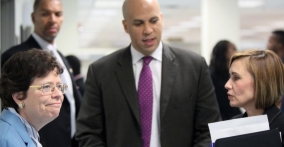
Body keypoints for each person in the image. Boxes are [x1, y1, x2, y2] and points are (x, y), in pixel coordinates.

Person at [75, 0, 220, 146]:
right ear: (126, 26)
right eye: (138, 23)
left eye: (153, 21)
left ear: (161, 19)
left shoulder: (194, 67)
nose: (148, 30)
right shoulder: (101, 72)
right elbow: (88, 132)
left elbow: (209, 130)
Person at [1, 0, 81, 146]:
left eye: (58, 14)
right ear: (33, 17)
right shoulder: (16, 56)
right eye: (45, 14)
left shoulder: (62, 58)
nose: (52, 20)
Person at [0, 49, 67, 147]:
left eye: (59, 86)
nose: (58, 94)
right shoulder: (5, 140)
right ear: (19, 97)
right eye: (47, 87)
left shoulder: (23, 133)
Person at [225, 49, 284, 146]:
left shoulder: (281, 127)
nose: (227, 85)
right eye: (229, 77)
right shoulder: (232, 126)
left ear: (261, 82)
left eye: (236, 78)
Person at [209, 40, 241, 120]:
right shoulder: (211, 75)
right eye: (233, 49)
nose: (236, 52)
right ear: (223, 52)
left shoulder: (228, 73)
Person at [267, 30, 284, 109]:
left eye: (270, 41)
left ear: (280, 45)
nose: (267, 44)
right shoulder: (272, 64)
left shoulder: (280, 67)